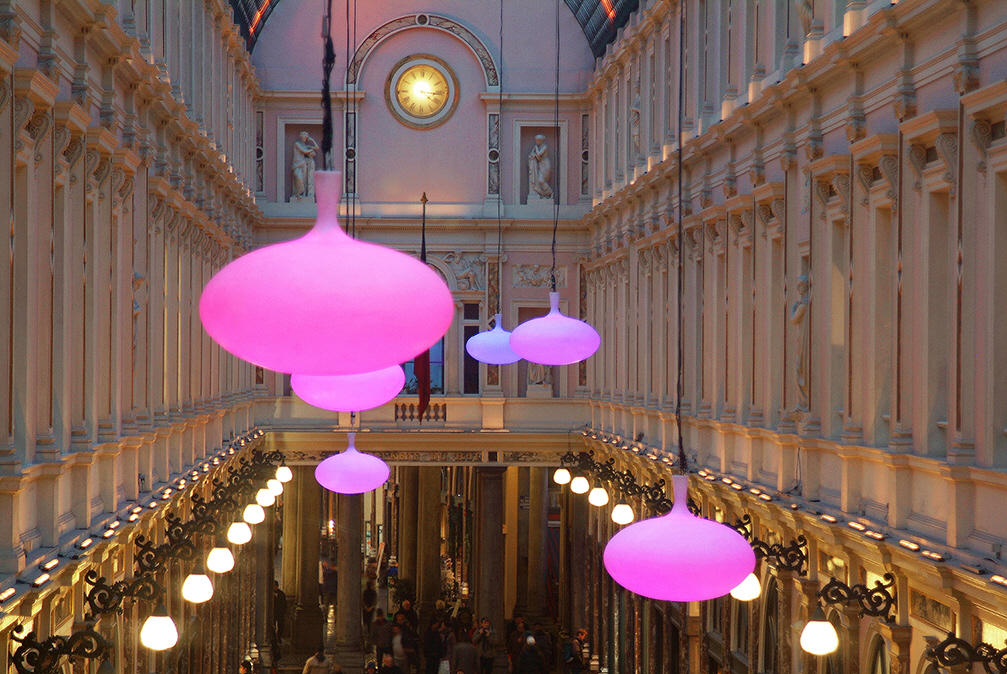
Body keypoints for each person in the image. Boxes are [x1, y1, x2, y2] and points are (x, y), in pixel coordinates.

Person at [291, 131, 318, 199]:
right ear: (300, 138)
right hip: (296, 164)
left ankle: (302, 194)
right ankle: (297, 193)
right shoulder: (297, 144)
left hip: (302, 164)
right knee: (298, 177)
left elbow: (317, 148)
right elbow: (305, 151)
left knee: (303, 180)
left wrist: (312, 140)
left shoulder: (305, 146)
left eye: (305, 138)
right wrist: (311, 150)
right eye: (302, 137)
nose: (303, 139)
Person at [527, 135, 553, 200]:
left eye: (537, 140)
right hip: (541, 165)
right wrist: (533, 155)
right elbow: (536, 156)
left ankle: (550, 193)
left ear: (540, 141)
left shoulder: (544, 147)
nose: (536, 142)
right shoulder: (539, 147)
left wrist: (535, 148)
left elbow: (538, 154)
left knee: (542, 181)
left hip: (545, 165)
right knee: (540, 180)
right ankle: (545, 195)